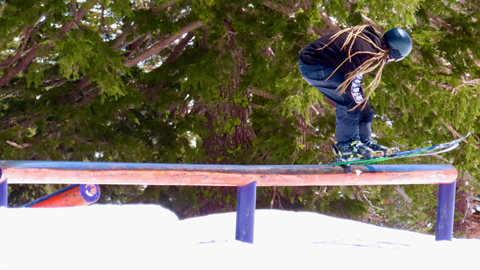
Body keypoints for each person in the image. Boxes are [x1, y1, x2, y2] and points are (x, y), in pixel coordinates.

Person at [298, 25, 412, 160]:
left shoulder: (369, 45)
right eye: (396, 58)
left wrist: (365, 108)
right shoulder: (365, 51)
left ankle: (364, 142)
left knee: (357, 100)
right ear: (394, 52)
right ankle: (347, 147)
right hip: (314, 65)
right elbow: (351, 88)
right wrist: (365, 107)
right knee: (350, 100)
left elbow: (355, 87)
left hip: (317, 64)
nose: (391, 61)